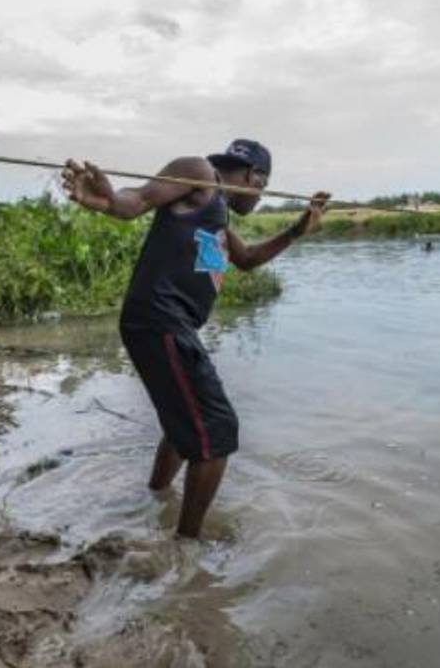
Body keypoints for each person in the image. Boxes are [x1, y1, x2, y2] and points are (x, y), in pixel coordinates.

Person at [63, 139, 329, 539]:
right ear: (254, 177)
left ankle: (157, 499)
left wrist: (295, 231)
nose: (259, 196)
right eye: (261, 187)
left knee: (184, 425)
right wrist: (111, 201)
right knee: (217, 432)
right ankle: (186, 547)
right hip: (161, 320)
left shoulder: (217, 214)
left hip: (164, 325)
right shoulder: (200, 173)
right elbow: (138, 199)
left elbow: (247, 259)